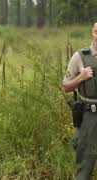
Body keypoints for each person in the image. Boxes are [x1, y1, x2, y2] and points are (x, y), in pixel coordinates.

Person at [63, 22, 97, 180]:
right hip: (88, 118)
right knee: (84, 168)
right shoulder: (80, 57)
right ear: (92, 33)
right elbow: (66, 86)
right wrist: (81, 77)